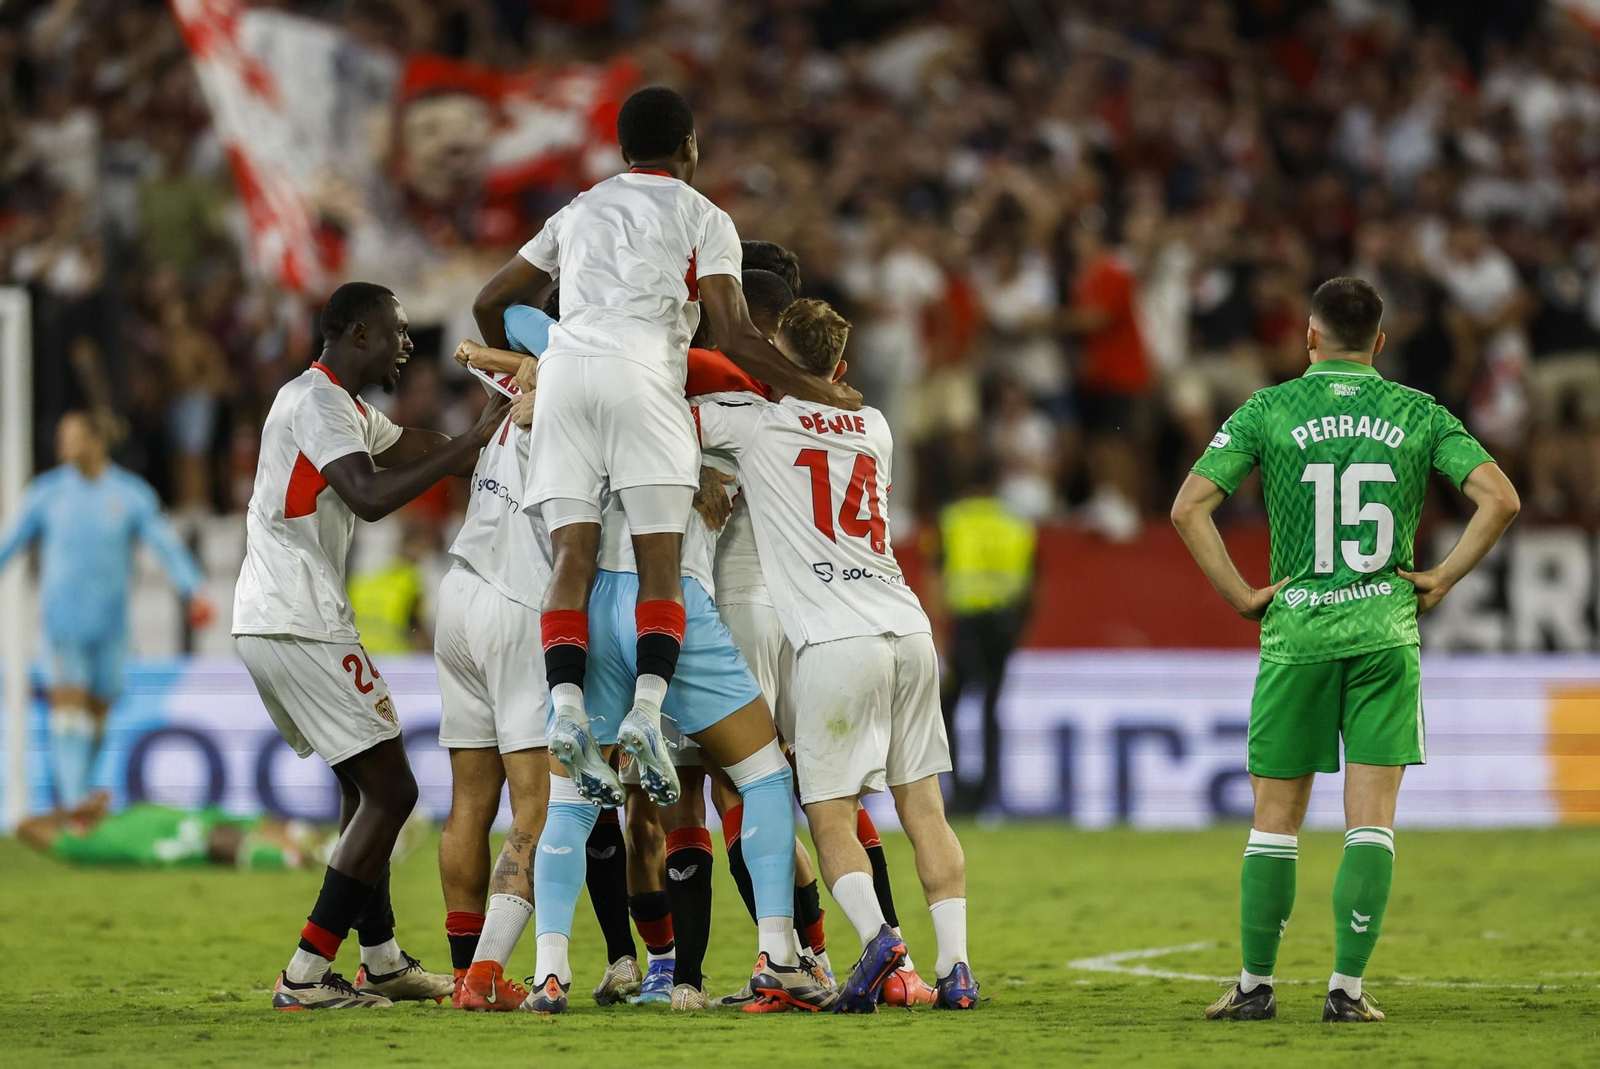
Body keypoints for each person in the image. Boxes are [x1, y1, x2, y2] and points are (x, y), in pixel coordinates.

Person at [471, 85, 857, 812]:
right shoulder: (704, 215)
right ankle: (647, 711)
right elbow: (737, 335)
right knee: (658, 559)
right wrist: (819, 389)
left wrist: (521, 368)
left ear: (621, 152)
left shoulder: (579, 207)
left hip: (565, 379)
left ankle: (566, 711)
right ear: (690, 148)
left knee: (572, 558)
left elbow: (492, 300)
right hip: (643, 378)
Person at [1172, 277, 1520, 1024]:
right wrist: (1442, 578)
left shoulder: (1269, 408)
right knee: (1371, 821)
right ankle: (1346, 991)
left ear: (1310, 337)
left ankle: (1255, 985)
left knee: (1274, 819)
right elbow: (1501, 497)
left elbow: (1188, 505)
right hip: (1384, 635)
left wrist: (1240, 592)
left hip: (1297, 634)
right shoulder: (1417, 410)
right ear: (1380, 343)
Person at [692, 299, 980, 1013]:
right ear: (841, 367)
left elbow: (669, 391)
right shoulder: (875, 425)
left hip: (834, 637)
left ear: (770, 361)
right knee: (924, 806)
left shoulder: (753, 424)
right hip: (908, 628)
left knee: (827, 813)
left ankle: (879, 938)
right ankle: (958, 967)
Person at [233, 281, 508, 1011]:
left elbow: (423, 451)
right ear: (357, 334)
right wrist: (478, 441)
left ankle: (382, 960)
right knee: (395, 791)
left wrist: (497, 430)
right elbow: (368, 494)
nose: (405, 344)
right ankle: (303, 973)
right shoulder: (317, 403)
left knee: (363, 791)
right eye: (394, 332)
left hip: (281, 614)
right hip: (299, 617)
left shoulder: (341, 406)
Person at [0, 411, 211, 808]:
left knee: (97, 714)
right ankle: (76, 802)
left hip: (111, 626)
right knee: (68, 710)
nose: (63, 446)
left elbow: (164, 544)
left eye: (73, 437)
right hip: (62, 622)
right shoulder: (47, 493)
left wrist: (194, 589)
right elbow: (9, 542)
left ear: (97, 442)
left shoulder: (130, 494)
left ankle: (77, 795)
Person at [430, 349, 550, 1011]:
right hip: (518, 601)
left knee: (469, 803)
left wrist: (501, 355)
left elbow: (481, 348)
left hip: (460, 592)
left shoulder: (520, 387)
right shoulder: (573, 399)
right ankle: (487, 972)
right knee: (538, 803)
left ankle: (462, 970)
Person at [931, 456, 1037, 814]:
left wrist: (938, 634)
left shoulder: (953, 520)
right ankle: (989, 790)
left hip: (967, 624)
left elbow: (936, 577)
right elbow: (1033, 582)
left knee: (950, 705)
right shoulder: (1016, 522)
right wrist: (1020, 629)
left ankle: (960, 790)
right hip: (1005, 625)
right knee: (991, 706)